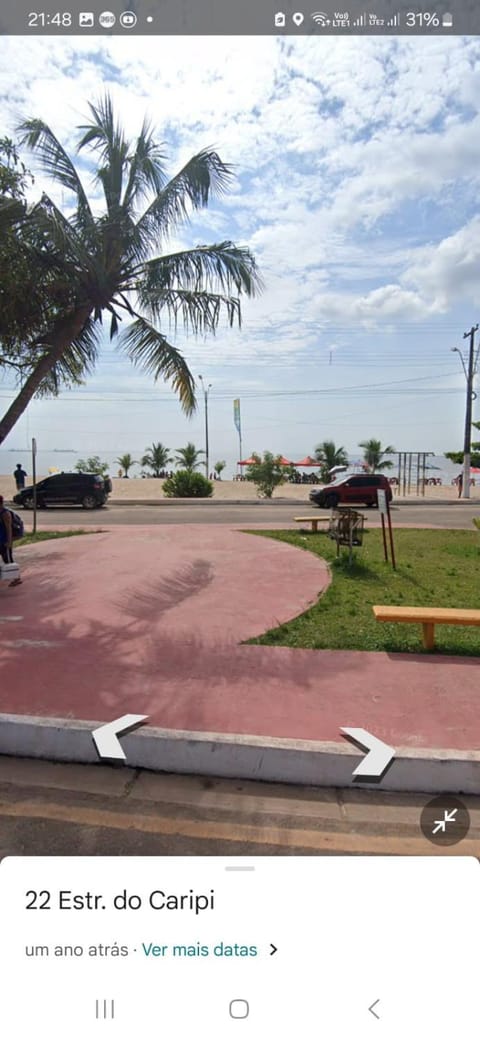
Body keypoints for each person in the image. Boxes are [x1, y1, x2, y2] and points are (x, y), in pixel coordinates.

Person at [0, 495, 22, 586]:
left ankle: (16, 578)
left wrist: (9, 542)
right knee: (7, 559)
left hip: (4, 541)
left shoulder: (5, 514)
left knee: (8, 559)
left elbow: (9, 529)